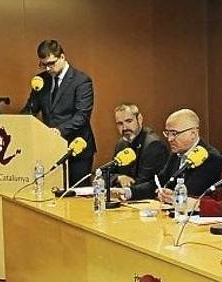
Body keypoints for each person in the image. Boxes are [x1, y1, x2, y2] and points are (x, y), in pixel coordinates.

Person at [21, 39, 96, 186]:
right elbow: (31, 109)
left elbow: (82, 116)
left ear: (62, 57)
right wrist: (19, 123)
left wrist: (58, 130)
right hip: (50, 148)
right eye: (44, 64)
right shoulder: (41, 80)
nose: (48, 69)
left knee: (76, 197)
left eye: (51, 63)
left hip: (77, 148)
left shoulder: (81, 81)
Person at [115, 109, 222, 201]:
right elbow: (158, 183)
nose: (169, 139)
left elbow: (192, 194)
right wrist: (127, 192)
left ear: (193, 134)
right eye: (167, 133)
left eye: (174, 134)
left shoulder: (209, 157)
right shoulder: (176, 153)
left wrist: (170, 195)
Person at [111, 103, 169, 189]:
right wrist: (118, 178)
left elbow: (145, 183)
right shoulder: (121, 143)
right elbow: (107, 174)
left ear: (140, 119)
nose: (124, 128)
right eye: (120, 123)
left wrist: (123, 190)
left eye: (129, 121)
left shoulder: (153, 145)